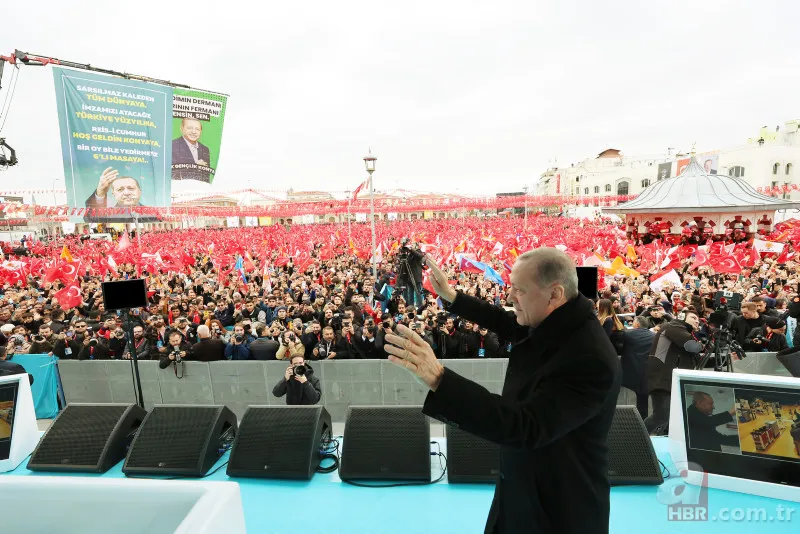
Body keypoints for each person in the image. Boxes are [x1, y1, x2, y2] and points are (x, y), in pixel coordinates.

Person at [384, 248, 621, 534]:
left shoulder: (590, 358)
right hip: (520, 492)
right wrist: (453, 297)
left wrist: (439, 379)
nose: (509, 298)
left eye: (518, 290)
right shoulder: (559, 321)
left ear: (554, 294)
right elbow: (508, 323)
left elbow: (526, 426)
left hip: (560, 510)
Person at [644, 310, 701, 435]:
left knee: (667, 416)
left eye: (698, 319)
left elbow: (696, 357)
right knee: (661, 415)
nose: (697, 320)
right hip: (662, 380)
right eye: (693, 317)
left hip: (670, 380)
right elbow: (692, 346)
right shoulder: (674, 326)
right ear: (681, 317)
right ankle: (634, 438)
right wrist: (702, 344)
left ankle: (650, 438)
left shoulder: (682, 331)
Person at [621, 316, 655, 420]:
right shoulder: (654, 336)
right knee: (645, 398)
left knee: (638, 396)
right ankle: (644, 422)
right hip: (649, 371)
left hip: (632, 371)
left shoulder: (628, 334)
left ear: (636, 324)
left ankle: (637, 421)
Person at [172, 118, 211, 182]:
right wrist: (195, 166)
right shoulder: (172, 146)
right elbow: (171, 175)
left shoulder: (205, 149)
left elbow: (206, 178)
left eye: (197, 129)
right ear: (182, 128)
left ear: (201, 131)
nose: (193, 132)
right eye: (190, 128)